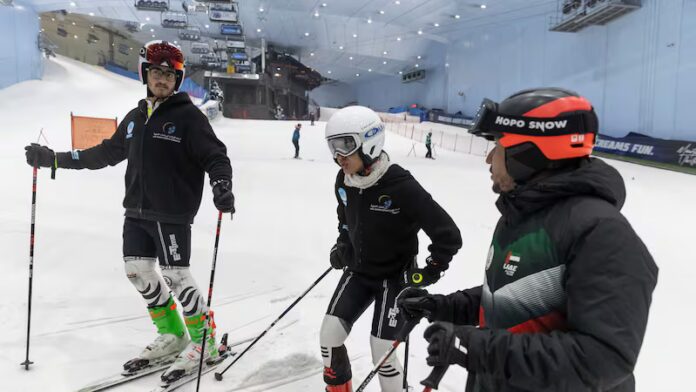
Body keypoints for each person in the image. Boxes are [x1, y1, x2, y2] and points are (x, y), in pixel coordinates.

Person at [397, 88, 658, 392]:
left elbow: (603, 360)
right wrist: (441, 307)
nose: (489, 158)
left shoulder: (601, 234)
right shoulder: (521, 216)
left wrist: (477, 347)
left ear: (528, 155)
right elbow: (516, 298)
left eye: (498, 146)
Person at [24, 40, 235, 383]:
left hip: (171, 213)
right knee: (137, 270)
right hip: (136, 212)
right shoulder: (136, 118)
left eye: (169, 74)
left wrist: (222, 185)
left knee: (177, 277)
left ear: (177, 79)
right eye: (156, 72)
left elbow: (216, 156)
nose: (162, 79)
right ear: (145, 74)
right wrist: (55, 159)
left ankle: (205, 340)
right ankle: (173, 334)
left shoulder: (188, 118)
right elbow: (105, 153)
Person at [321, 106, 463, 392]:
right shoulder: (344, 182)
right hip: (360, 272)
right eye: (333, 147)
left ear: (369, 142)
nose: (339, 156)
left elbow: (447, 234)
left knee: (382, 351)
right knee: (329, 337)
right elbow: (345, 219)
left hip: (395, 277)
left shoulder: (400, 185)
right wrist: (343, 244)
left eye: (346, 145)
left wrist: (431, 271)